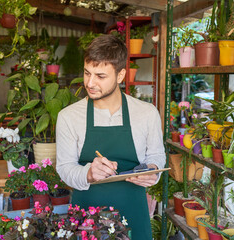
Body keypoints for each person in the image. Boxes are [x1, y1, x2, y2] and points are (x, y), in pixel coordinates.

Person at [56, 34, 166, 239]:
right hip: (86, 217)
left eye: (100, 76)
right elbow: (64, 168)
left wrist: (152, 170)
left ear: (121, 75)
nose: (90, 83)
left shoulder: (146, 112)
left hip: (134, 212)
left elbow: (157, 156)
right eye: (87, 73)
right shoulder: (69, 116)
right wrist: (88, 173)